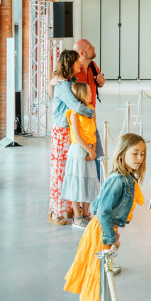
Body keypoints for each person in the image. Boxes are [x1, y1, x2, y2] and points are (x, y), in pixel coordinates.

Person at [64, 133, 146, 301]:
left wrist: (113, 232)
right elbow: (101, 211)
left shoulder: (127, 179)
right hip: (99, 233)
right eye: (135, 153)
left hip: (103, 231)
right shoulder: (119, 180)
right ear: (122, 154)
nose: (140, 158)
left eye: (142, 154)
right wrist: (110, 238)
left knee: (97, 281)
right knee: (97, 282)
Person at [49, 50, 95, 226]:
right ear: (70, 63)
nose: (80, 64)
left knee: (68, 170)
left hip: (67, 130)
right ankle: (54, 211)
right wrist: (90, 112)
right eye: (77, 61)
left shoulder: (69, 82)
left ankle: (66, 209)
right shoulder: (63, 84)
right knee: (60, 172)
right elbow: (75, 105)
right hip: (62, 131)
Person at [60, 82, 101, 228]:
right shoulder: (73, 113)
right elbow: (77, 136)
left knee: (90, 180)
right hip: (78, 150)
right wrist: (90, 151)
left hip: (90, 149)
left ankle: (85, 213)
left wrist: (93, 148)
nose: (91, 94)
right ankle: (77, 217)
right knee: (76, 183)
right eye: (88, 92)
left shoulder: (91, 110)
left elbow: (94, 132)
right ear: (81, 94)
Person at [73, 39, 106, 178]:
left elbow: (97, 83)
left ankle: (98, 191)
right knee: (80, 160)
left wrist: (100, 82)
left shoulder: (93, 65)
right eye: (90, 47)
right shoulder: (72, 70)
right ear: (83, 53)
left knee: (99, 157)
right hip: (77, 123)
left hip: (92, 121)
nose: (93, 47)